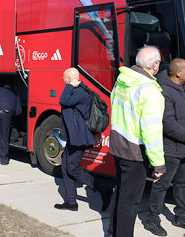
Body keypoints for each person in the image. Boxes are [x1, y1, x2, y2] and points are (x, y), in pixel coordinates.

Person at [108, 46, 166, 237]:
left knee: (121, 195)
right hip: (135, 153)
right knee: (129, 203)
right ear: (155, 65)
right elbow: (152, 130)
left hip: (118, 147)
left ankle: (112, 232)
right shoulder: (149, 90)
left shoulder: (122, 80)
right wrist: (158, 164)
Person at [144, 59, 185, 236]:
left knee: (182, 184)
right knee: (161, 184)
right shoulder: (163, 91)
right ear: (178, 73)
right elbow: (168, 123)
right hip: (170, 148)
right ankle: (152, 220)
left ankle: (181, 217)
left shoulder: (184, 87)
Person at [54, 68, 111, 212]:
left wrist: (70, 86)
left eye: (64, 79)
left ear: (68, 78)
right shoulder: (77, 91)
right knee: (66, 167)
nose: (64, 81)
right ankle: (71, 202)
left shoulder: (79, 92)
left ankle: (103, 189)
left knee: (72, 168)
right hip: (73, 138)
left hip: (79, 138)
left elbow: (63, 100)